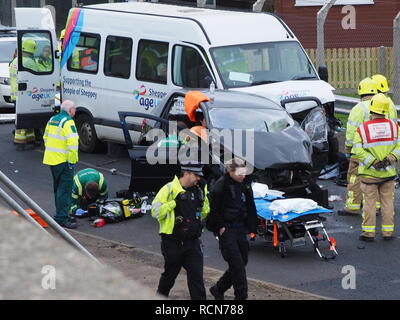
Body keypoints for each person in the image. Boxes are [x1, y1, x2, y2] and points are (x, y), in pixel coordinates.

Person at [151, 161, 210, 300]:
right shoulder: (169, 189)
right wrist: (174, 202)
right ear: (187, 173)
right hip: (173, 243)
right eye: (196, 175)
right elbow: (155, 211)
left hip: (192, 243)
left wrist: (205, 194)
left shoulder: (199, 189)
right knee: (169, 277)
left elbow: (205, 211)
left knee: (196, 278)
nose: (198, 179)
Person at [207, 158, 257, 300]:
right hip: (227, 229)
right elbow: (214, 210)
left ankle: (218, 288)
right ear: (230, 172)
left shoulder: (244, 184)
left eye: (244, 173)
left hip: (240, 228)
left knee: (242, 261)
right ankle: (241, 297)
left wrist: (251, 224)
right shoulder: (220, 186)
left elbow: (249, 204)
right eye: (240, 173)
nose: (243, 176)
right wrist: (220, 227)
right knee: (238, 268)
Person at [352, 93, 400, 241]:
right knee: (387, 203)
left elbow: (357, 150)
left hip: (369, 175)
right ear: (385, 110)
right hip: (388, 174)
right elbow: (398, 147)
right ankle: (387, 233)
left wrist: (372, 161)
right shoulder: (395, 127)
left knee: (369, 204)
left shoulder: (362, 129)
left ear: (371, 109)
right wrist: (389, 159)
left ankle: (368, 233)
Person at [338, 77, 379, 216]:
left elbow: (351, 133)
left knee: (355, 179)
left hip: (359, 151)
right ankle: (376, 206)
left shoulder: (358, 108)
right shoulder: (380, 106)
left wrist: (349, 150)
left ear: (361, 92)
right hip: (377, 151)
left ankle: (352, 207)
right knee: (376, 179)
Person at [43, 100, 79, 229]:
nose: (75, 111)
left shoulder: (53, 119)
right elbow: (73, 142)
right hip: (64, 161)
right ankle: (62, 218)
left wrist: (52, 151)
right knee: (64, 190)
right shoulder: (68, 121)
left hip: (52, 160)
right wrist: (72, 160)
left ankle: (61, 214)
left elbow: (46, 137)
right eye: (74, 108)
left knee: (58, 189)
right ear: (69, 110)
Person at [10, 48, 36, 150]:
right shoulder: (28, 61)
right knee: (28, 118)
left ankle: (26, 140)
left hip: (16, 94)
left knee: (20, 118)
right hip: (25, 94)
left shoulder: (15, 61)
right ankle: (22, 141)